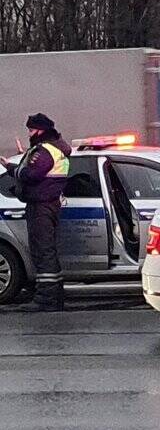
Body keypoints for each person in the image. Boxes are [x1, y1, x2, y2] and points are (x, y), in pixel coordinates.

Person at [3, 114, 71, 310]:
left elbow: (31, 174)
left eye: (31, 130)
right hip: (47, 204)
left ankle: (46, 299)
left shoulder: (46, 150)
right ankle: (55, 295)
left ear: (40, 130)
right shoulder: (54, 149)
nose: (29, 134)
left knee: (43, 252)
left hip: (41, 206)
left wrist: (13, 169)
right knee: (47, 251)